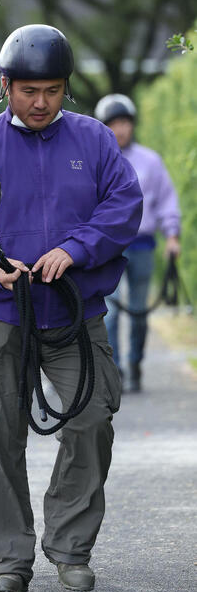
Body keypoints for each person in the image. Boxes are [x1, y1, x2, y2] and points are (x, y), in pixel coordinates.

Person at [0, 25, 143, 592]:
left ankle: (71, 549)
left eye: (52, 90)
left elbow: (126, 205)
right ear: (5, 86)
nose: (42, 101)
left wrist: (75, 249)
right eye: (29, 90)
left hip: (76, 316)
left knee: (92, 420)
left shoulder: (95, 140)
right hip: (4, 314)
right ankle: (7, 560)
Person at [94, 94, 181, 392]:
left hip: (142, 243)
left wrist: (172, 236)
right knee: (113, 310)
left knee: (140, 311)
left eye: (125, 123)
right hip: (109, 246)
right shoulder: (95, 161)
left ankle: (135, 363)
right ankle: (114, 368)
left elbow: (167, 200)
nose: (120, 130)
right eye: (114, 124)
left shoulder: (150, 161)